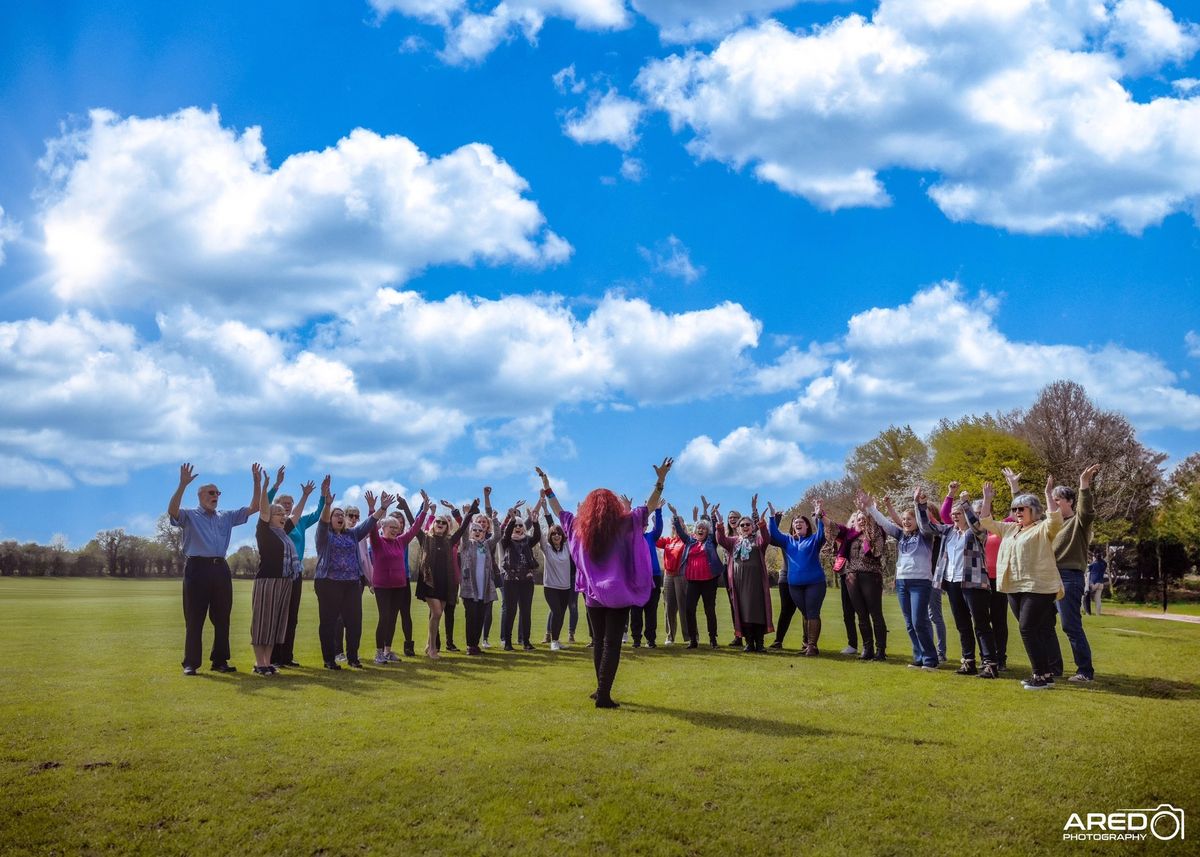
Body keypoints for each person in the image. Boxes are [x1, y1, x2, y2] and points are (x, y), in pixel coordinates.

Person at [536, 457, 672, 708]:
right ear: (612, 506)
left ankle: (600, 689)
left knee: (599, 641)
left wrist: (547, 486)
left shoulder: (579, 526)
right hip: (619, 593)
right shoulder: (626, 522)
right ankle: (604, 694)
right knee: (611, 642)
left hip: (593, 595)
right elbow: (649, 507)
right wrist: (661, 480)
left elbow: (558, 510)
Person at [168, 462, 258, 675]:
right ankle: (191, 663)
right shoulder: (189, 515)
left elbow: (253, 508)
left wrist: (256, 482)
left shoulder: (225, 516)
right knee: (194, 617)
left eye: (217, 492)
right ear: (200, 496)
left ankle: (220, 661)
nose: (215, 495)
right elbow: (172, 511)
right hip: (197, 568)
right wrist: (182, 485)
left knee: (222, 618)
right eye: (211, 492)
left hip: (220, 569)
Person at [978, 476, 1064, 690]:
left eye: (1021, 509)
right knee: (1031, 630)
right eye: (1015, 509)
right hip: (1013, 586)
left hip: (1038, 587)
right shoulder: (1010, 529)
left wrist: (1047, 494)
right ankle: (1046, 673)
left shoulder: (1043, 528)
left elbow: (1055, 519)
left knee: (1027, 629)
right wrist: (987, 499)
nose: (1017, 513)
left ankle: (1039, 676)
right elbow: (985, 521)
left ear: (1033, 511)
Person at [924, 484, 999, 679]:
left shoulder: (977, 533)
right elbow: (926, 525)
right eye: (954, 513)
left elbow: (977, 524)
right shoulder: (948, 532)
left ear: (966, 514)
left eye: (959, 513)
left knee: (981, 624)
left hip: (974, 583)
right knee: (962, 624)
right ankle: (968, 662)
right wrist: (920, 505)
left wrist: (966, 504)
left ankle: (990, 664)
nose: (955, 516)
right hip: (952, 582)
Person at [313, 478, 385, 670]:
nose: (338, 517)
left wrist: (381, 508)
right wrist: (327, 505)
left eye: (340, 515)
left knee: (354, 622)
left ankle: (353, 658)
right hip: (328, 583)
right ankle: (329, 660)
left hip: (351, 583)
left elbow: (369, 524)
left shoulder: (351, 534)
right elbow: (322, 523)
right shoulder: (323, 535)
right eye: (335, 515)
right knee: (328, 622)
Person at [866, 489, 938, 670]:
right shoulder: (901, 535)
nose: (905, 522)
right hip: (902, 583)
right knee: (909, 624)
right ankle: (919, 657)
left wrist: (917, 503)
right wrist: (870, 508)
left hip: (921, 582)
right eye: (904, 519)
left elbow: (924, 521)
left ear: (917, 522)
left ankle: (930, 660)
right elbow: (884, 523)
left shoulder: (925, 535)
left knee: (918, 621)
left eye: (909, 519)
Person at [250, 467, 311, 675]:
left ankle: (268, 663)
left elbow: (297, 514)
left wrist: (305, 496)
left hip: (284, 581)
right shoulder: (264, 531)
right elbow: (264, 509)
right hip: (267, 581)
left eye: (284, 514)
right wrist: (268, 486)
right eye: (279, 513)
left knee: (275, 624)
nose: (283, 516)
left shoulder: (284, 532)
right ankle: (259, 663)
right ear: (270, 517)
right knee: (262, 624)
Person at [264, 467, 323, 669]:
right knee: (277, 615)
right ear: (277, 506)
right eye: (283, 504)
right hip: (278, 572)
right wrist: (275, 486)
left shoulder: (299, 522)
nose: (288, 507)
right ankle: (273, 657)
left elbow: (316, 515)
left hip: (295, 574)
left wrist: (321, 497)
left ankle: (287, 656)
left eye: (290, 504)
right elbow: (265, 506)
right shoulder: (276, 525)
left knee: (292, 616)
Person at [1048, 464, 1101, 682]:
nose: (1054, 503)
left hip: (1069, 578)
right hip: (1048, 578)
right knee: (1044, 624)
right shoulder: (1049, 525)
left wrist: (1084, 485)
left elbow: (1086, 511)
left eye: (1058, 499)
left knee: (1070, 625)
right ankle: (1053, 668)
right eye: (1052, 499)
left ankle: (1084, 672)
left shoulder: (1078, 523)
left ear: (1069, 501)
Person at [368, 495, 429, 664]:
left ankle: (388, 651)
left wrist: (424, 510)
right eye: (392, 526)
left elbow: (415, 528)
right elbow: (371, 527)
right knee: (384, 617)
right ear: (384, 527)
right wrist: (373, 509)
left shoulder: (401, 542)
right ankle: (379, 653)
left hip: (399, 586)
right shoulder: (377, 542)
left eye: (397, 527)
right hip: (382, 587)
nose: (395, 529)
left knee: (393, 618)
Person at [767, 499, 827, 656]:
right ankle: (808, 646)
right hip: (794, 586)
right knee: (806, 613)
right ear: (793, 526)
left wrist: (819, 515)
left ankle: (812, 646)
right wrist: (772, 517)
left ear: (807, 526)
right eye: (795, 522)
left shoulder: (814, 540)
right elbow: (773, 534)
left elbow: (822, 533)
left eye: (801, 522)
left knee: (812, 612)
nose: (798, 524)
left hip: (815, 583)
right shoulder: (788, 541)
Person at [714, 496, 774, 652]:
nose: (745, 526)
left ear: (752, 526)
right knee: (743, 611)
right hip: (739, 583)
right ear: (738, 528)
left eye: (748, 524)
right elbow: (720, 540)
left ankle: (759, 644)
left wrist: (762, 524)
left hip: (756, 583)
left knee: (758, 611)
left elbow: (766, 538)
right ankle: (749, 643)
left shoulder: (758, 540)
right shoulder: (734, 541)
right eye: (742, 525)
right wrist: (719, 525)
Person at [830, 501, 888, 661]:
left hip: (870, 576)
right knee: (861, 615)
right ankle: (867, 648)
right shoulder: (851, 536)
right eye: (859, 518)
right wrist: (821, 516)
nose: (861, 520)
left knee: (876, 614)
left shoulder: (877, 533)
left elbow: (877, 551)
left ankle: (880, 650)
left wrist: (868, 510)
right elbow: (834, 529)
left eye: (865, 518)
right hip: (852, 577)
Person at [670, 503, 724, 649]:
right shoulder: (690, 542)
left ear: (707, 532)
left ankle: (713, 638)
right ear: (695, 530)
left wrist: (712, 516)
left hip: (709, 581)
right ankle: (693, 640)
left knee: (709, 610)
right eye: (699, 528)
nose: (700, 530)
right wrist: (675, 515)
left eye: (703, 528)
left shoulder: (711, 541)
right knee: (689, 609)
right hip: (693, 581)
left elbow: (714, 530)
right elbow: (681, 532)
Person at [458, 509, 502, 655]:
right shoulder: (466, 544)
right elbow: (463, 532)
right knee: (471, 617)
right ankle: (470, 646)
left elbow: (497, 536)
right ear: (471, 532)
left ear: (484, 533)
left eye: (481, 530)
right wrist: (468, 515)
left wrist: (494, 520)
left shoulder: (487, 545)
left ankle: (475, 645)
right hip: (469, 588)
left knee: (480, 617)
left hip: (485, 588)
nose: (477, 532)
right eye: (474, 530)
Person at [499, 505, 541, 651]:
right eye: (515, 525)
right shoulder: (507, 541)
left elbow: (537, 537)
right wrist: (511, 521)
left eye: (520, 525)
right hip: (510, 580)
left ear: (524, 527)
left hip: (527, 581)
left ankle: (526, 641)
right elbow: (505, 535)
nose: (518, 527)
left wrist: (535, 523)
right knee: (510, 611)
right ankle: (508, 642)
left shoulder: (527, 540)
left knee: (526, 611)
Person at [538, 499, 576, 650]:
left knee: (561, 614)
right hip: (551, 588)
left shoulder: (567, 547)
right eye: (553, 534)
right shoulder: (546, 549)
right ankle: (553, 642)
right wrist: (545, 510)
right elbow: (543, 531)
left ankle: (556, 640)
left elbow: (568, 530)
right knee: (557, 611)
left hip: (565, 588)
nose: (556, 536)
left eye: (558, 534)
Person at [630, 499, 664, 648]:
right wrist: (629, 510)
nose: (643, 527)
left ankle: (651, 639)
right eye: (640, 524)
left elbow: (659, 528)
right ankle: (636, 639)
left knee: (651, 610)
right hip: (636, 579)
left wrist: (657, 510)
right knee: (636, 610)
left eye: (645, 525)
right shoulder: (630, 539)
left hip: (654, 578)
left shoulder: (651, 536)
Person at [656, 516, 687, 644]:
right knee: (669, 607)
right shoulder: (668, 540)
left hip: (681, 575)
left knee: (684, 606)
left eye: (678, 523)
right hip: (668, 575)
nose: (675, 525)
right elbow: (655, 540)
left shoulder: (686, 539)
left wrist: (680, 527)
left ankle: (690, 636)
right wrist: (655, 525)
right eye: (673, 524)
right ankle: (670, 636)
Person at [1086, 548, 1108, 616]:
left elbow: (1088, 571)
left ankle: (1087, 612)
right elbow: (1104, 562)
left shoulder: (1093, 564)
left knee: (1086, 596)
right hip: (1101, 583)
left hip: (1093, 583)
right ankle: (1098, 614)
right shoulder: (1104, 564)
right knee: (1098, 599)